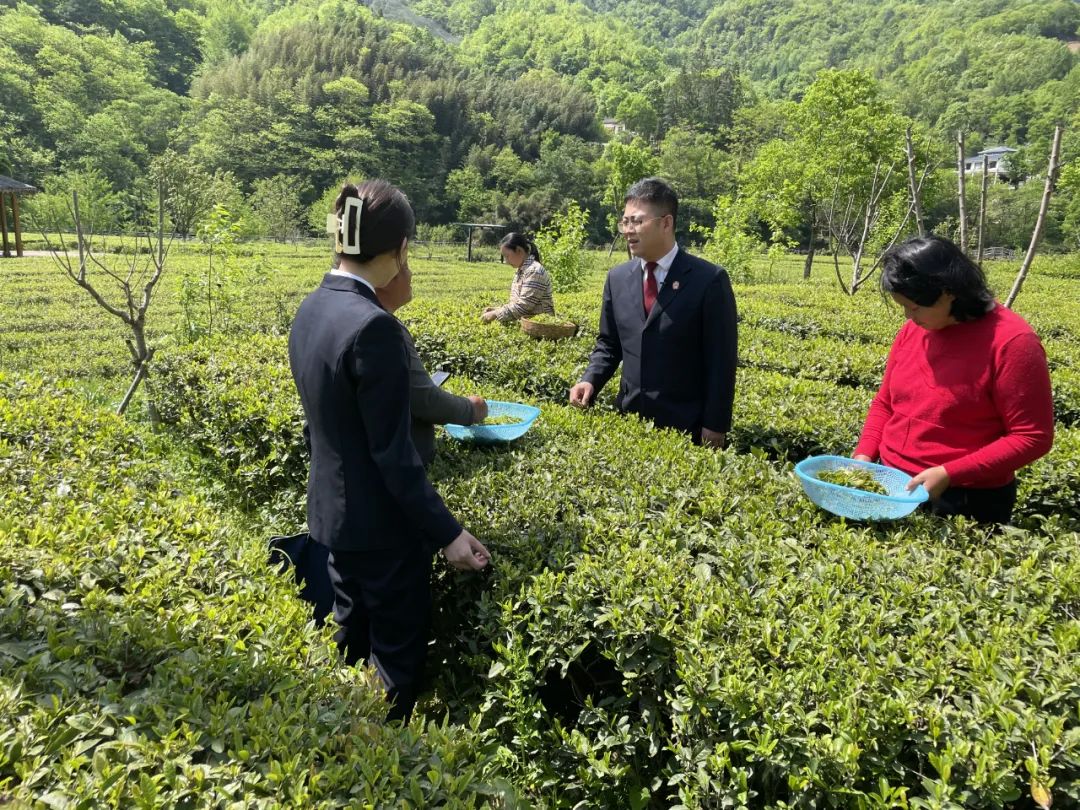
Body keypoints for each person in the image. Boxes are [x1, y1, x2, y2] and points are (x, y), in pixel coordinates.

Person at [288, 179, 490, 723]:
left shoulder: (312, 308)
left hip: (331, 517)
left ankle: (337, 738)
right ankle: (382, 757)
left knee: (348, 638)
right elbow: (393, 455)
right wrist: (448, 534)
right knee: (395, 664)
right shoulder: (374, 328)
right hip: (383, 532)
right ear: (401, 248)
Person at [853, 234, 1054, 524]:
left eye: (915, 307)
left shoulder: (1013, 342)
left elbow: (1032, 437)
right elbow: (886, 403)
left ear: (948, 292)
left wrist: (950, 473)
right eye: (904, 307)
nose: (909, 317)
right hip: (892, 483)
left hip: (964, 499)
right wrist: (864, 457)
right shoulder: (914, 331)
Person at [568, 177, 738, 448]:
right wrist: (590, 380)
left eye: (637, 221)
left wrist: (715, 425)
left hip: (686, 426)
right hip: (628, 420)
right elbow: (609, 344)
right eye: (625, 221)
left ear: (666, 223)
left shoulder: (709, 280)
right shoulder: (618, 277)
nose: (628, 230)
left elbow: (721, 361)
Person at [375, 256, 489, 465]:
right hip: (398, 463)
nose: (411, 274)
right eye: (406, 267)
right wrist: (471, 408)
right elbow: (424, 401)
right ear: (385, 276)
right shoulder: (382, 327)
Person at [480, 232, 555, 323]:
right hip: (527, 322)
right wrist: (496, 310)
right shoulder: (522, 270)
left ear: (519, 250)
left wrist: (495, 314)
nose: (506, 261)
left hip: (541, 326)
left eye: (507, 256)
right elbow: (518, 304)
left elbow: (523, 307)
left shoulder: (534, 271)